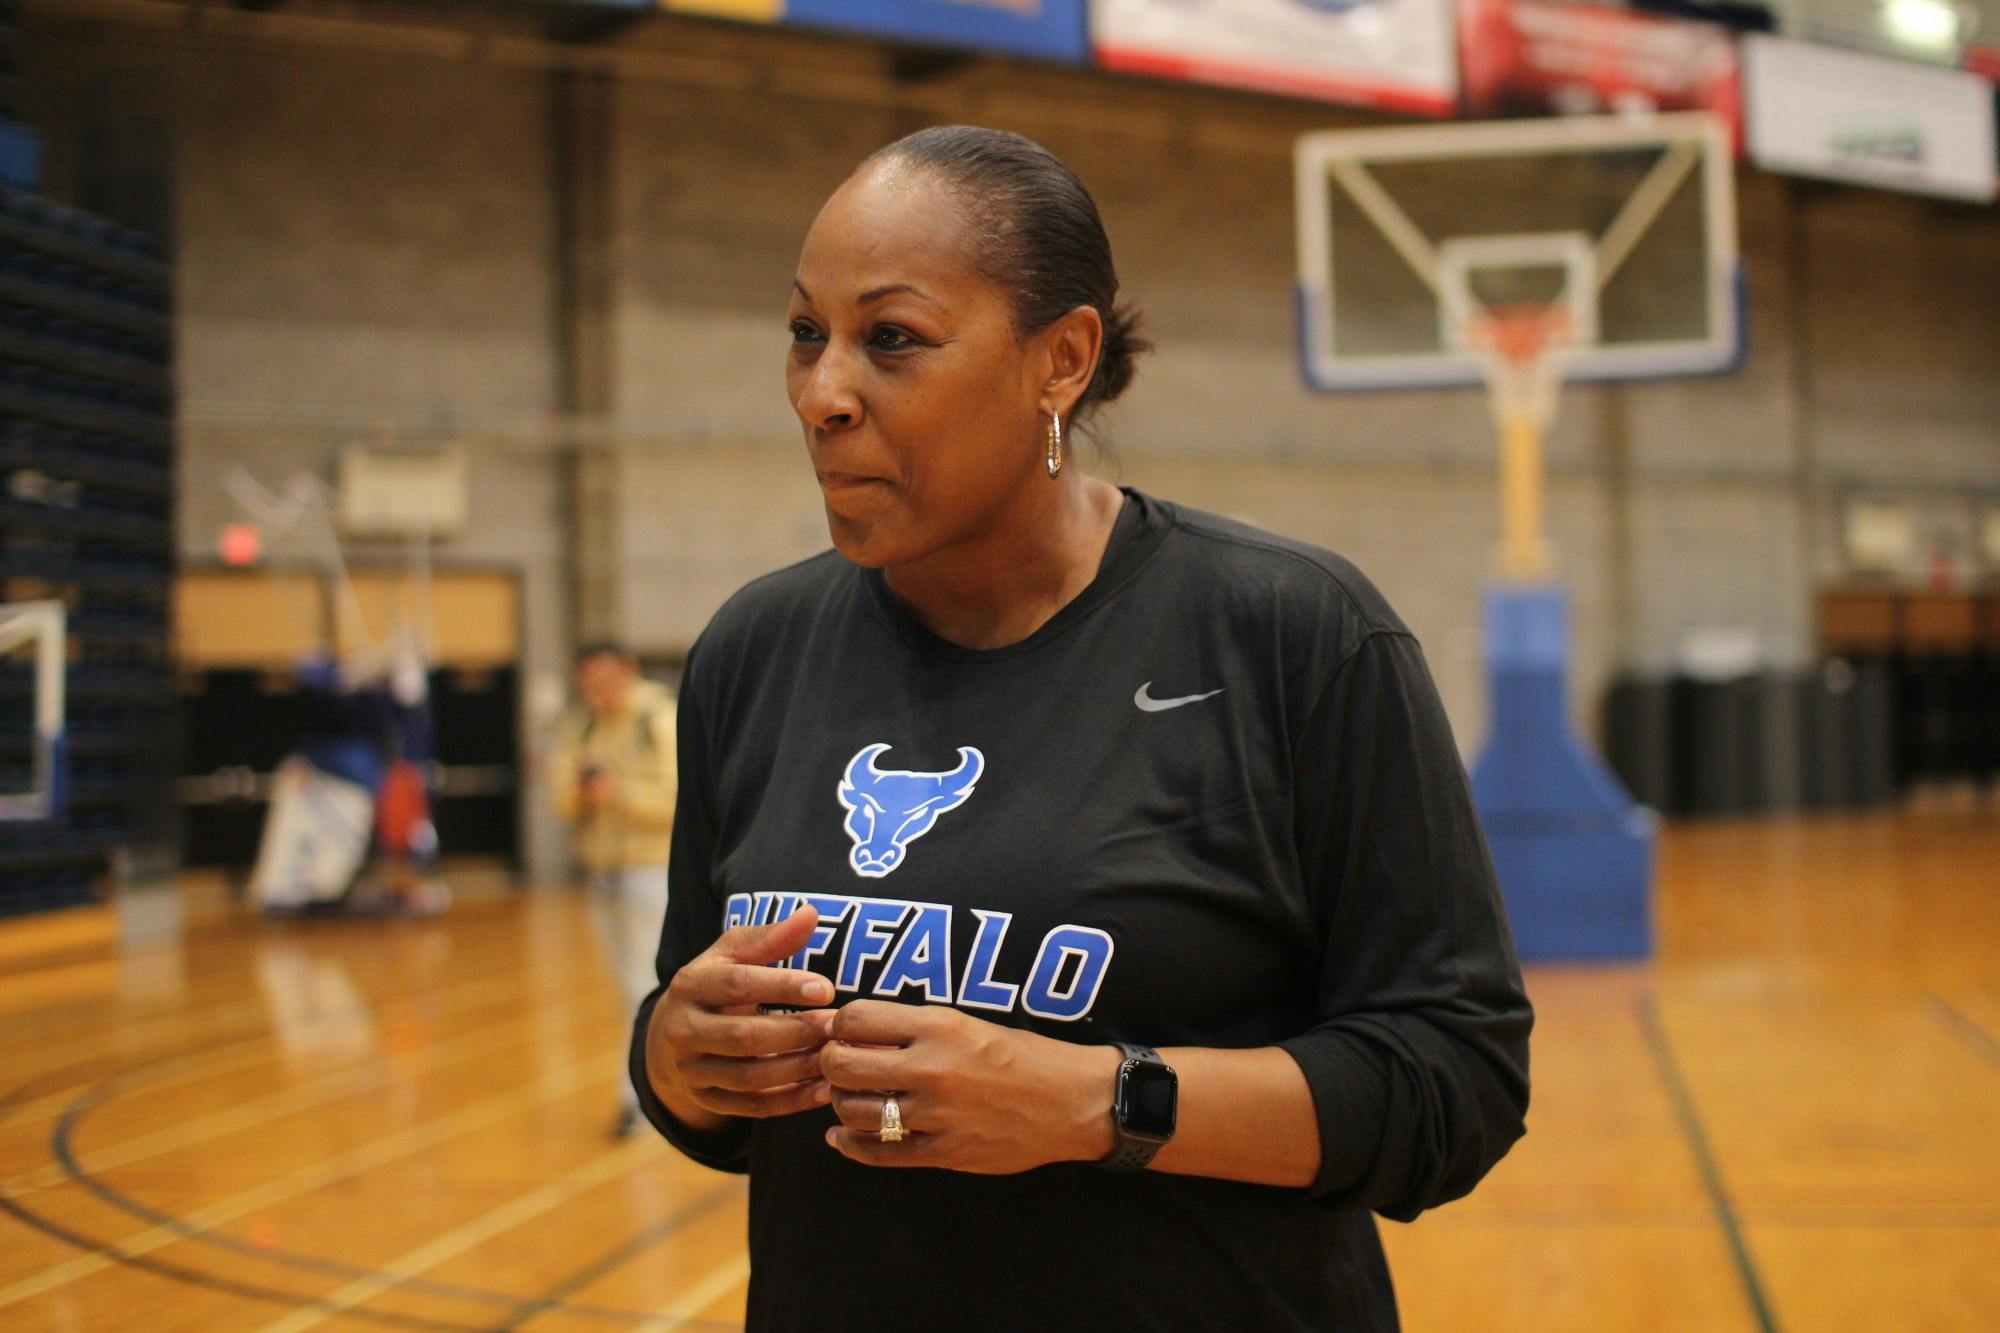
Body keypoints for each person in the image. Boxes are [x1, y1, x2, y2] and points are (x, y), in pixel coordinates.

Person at [632, 126, 1532, 1330]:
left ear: (1060, 361)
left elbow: (1452, 1083)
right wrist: (677, 1061)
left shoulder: (1289, 634)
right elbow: (702, 1074)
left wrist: (1095, 1101)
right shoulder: (754, 649)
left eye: (888, 339)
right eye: (807, 333)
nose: (822, 393)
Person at [550, 642, 677, 1137]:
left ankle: (642, 1099)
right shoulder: (581, 724)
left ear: (628, 671)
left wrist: (620, 793)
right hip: (602, 870)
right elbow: (561, 798)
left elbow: (680, 797)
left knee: (643, 984)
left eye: (606, 681)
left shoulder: (658, 719)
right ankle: (648, 1092)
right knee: (625, 986)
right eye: (589, 683)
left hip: (651, 867)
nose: (598, 692)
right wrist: (581, 792)